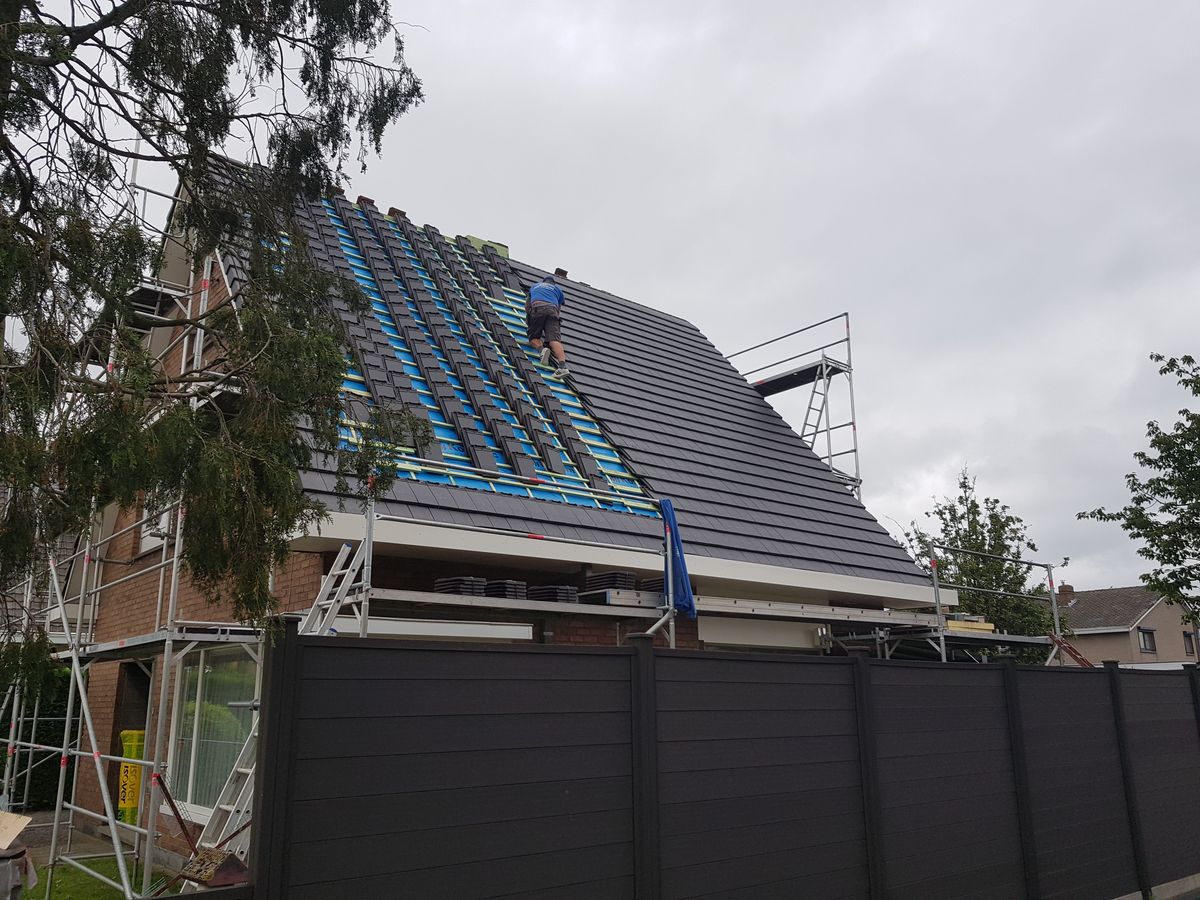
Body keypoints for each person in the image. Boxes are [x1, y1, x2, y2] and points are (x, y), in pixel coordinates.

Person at [526, 269, 570, 378]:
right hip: (552, 311)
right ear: (553, 284)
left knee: (533, 338)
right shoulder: (557, 289)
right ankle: (562, 367)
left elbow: (528, 306)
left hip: (538, 308)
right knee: (554, 340)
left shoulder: (535, 286)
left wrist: (530, 320)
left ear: (543, 282)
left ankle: (542, 351)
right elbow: (558, 307)